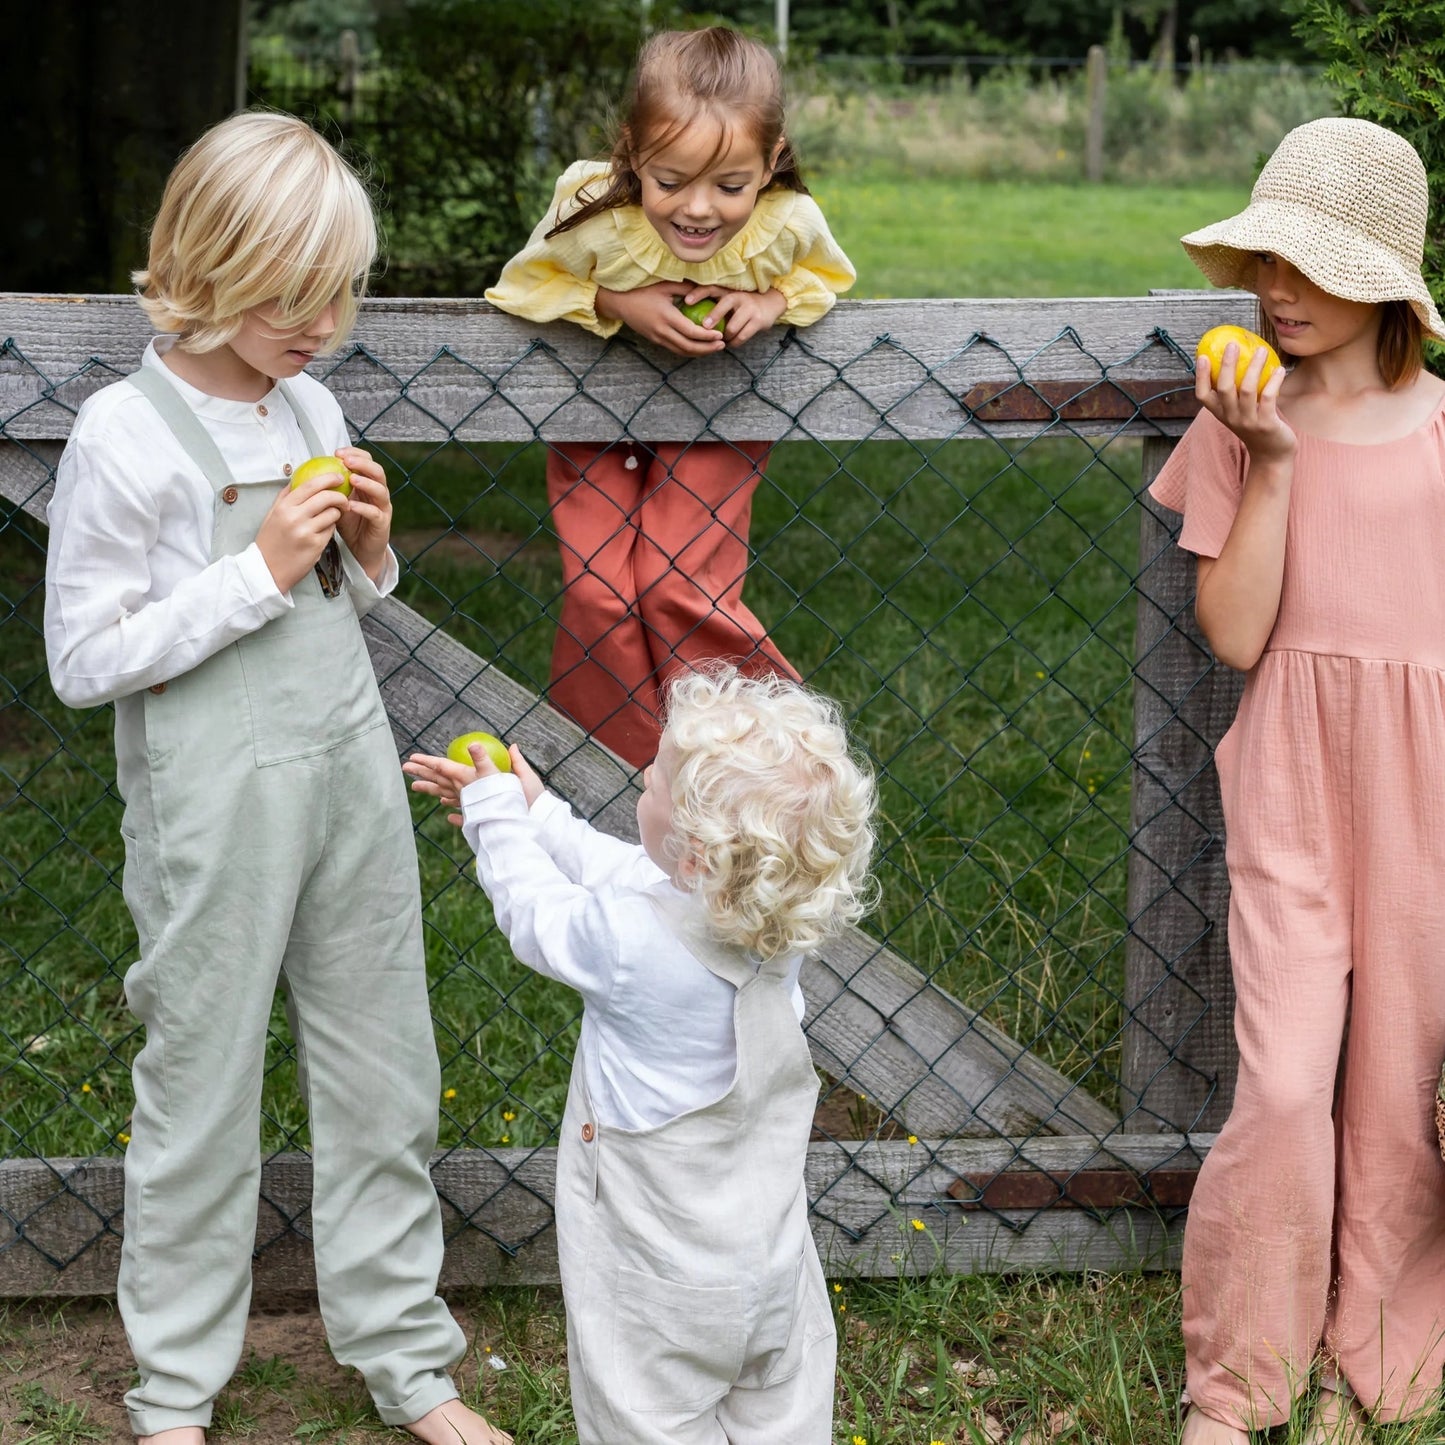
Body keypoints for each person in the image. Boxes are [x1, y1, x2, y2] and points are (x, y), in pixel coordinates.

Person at [43, 111, 509, 1445]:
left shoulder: (310, 401)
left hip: (345, 773)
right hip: (214, 807)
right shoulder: (123, 435)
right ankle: (178, 1388)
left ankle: (407, 1359)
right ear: (206, 263)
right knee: (200, 1084)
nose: (322, 323)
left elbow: (342, 603)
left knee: (385, 1066)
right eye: (292, 294)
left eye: (341, 293)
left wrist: (370, 549)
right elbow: (86, 658)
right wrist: (253, 571)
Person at [1149, 117, 1445, 1445]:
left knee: (1394, 1090)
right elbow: (1233, 634)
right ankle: (1238, 1383)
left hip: (1428, 794)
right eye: (1266, 258)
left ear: (1386, 280)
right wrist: (1267, 462)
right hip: (1290, 783)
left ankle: (1368, 1353)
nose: (1276, 288)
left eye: (1310, 267)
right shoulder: (1243, 414)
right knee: (1278, 1088)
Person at [403, 667, 878, 1443]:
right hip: (767, 1267)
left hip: (656, 1281)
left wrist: (494, 817)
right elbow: (624, 870)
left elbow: (536, 914)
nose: (640, 776)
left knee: (647, 1417)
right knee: (778, 1413)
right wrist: (539, 811)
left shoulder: (627, 945)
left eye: (654, 777)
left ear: (693, 852)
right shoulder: (776, 927)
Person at [485, 26, 855, 769]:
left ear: (770, 162)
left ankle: (764, 769)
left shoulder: (785, 222)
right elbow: (522, 283)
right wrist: (619, 302)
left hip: (717, 421)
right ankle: (615, 777)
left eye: (729, 185)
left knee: (677, 586)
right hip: (594, 420)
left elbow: (831, 279)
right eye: (670, 180)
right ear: (630, 154)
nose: (697, 210)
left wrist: (774, 301)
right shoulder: (589, 204)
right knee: (600, 596)